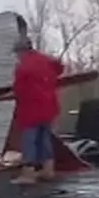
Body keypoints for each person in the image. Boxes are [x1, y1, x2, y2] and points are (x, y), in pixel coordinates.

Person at [11, 37, 64, 185]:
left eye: (17, 53)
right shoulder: (46, 60)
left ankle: (28, 175)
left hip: (31, 110)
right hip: (49, 108)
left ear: (22, 51)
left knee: (29, 141)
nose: (17, 56)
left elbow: (19, 90)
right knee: (44, 139)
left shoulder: (23, 67)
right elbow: (59, 68)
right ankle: (48, 171)